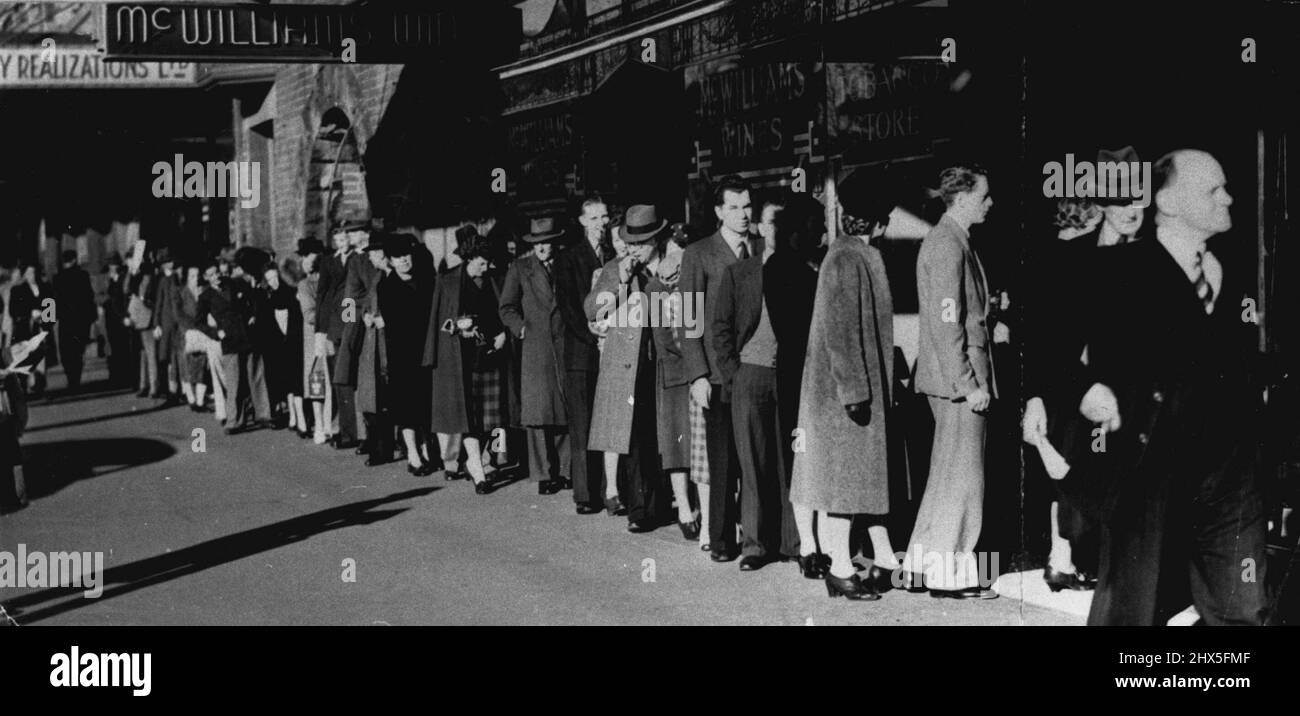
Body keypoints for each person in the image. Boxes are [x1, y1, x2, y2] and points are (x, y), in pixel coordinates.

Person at [1076, 149, 1267, 626]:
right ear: (1168, 200)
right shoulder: (1117, 271)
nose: (1228, 197)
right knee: (1133, 610)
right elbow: (1061, 355)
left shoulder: (1236, 272)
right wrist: (1085, 391)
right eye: (1212, 189)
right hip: (1150, 474)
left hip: (1229, 479)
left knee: (1242, 608)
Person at [788, 184, 896, 600]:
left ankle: (884, 558)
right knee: (845, 483)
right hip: (842, 396)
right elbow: (841, 331)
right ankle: (838, 566)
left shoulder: (851, 254)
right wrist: (855, 390)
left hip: (852, 390)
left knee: (864, 480)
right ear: (880, 221)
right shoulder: (847, 257)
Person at [904, 164, 999, 599]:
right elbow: (947, 323)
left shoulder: (952, 241)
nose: (990, 203)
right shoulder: (948, 245)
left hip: (949, 380)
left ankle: (922, 565)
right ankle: (949, 574)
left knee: (945, 476)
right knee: (963, 482)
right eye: (984, 196)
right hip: (958, 384)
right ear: (962, 199)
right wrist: (968, 384)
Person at [711, 195, 802, 571]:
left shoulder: (801, 272)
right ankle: (754, 545)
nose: (777, 228)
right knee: (752, 461)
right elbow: (720, 328)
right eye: (771, 221)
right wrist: (735, 374)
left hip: (788, 377)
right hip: (750, 376)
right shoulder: (741, 273)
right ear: (762, 229)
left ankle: (792, 542)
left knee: (790, 461)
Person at [680, 175, 762, 563]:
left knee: (756, 458)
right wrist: (697, 374)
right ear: (718, 212)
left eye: (747, 206)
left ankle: (757, 533)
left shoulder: (758, 249)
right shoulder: (699, 254)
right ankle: (721, 539)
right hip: (716, 374)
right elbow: (689, 319)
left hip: (756, 371)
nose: (743, 214)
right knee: (724, 460)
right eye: (733, 207)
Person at [585, 204, 673, 533]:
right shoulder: (615, 269)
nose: (633, 249)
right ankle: (640, 510)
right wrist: (618, 285)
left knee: (662, 435)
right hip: (629, 365)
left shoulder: (672, 265)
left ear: (657, 239)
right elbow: (591, 309)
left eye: (641, 242)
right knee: (635, 437)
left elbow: (692, 318)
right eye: (630, 242)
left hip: (664, 361)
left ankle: (664, 502)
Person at [424, 232, 510, 494]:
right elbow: (439, 322)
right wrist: (458, 330)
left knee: (492, 417)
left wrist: (503, 333)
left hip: (492, 357)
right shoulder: (448, 280)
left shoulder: (495, 278)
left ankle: (485, 459)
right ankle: (476, 466)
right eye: (481, 263)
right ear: (469, 259)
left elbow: (504, 311)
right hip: (461, 360)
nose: (486, 268)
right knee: (468, 417)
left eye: (488, 263)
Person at [551, 197, 617, 514]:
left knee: (610, 423)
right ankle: (586, 494)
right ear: (581, 221)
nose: (600, 223)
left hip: (612, 349)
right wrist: (590, 332)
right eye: (593, 218)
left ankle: (612, 490)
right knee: (583, 423)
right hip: (581, 352)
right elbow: (567, 307)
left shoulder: (615, 254)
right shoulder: (568, 258)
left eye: (604, 217)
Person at [499, 217, 572, 496]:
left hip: (565, 344)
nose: (543, 248)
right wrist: (521, 330)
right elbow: (506, 307)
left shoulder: (566, 263)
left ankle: (565, 470)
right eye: (538, 244)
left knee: (564, 410)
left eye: (547, 243)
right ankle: (543, 473)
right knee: (539, 414)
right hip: (536, 349)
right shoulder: (520, 268)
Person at [648, 226, 699, 540]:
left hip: (696, 371)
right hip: (673, 373)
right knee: (677, 444)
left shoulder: (694, 281)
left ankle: (704, 507)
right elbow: (661, 335)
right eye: (675, 247)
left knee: (698, 445)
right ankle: (683, 507)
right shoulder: (656, 288)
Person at [377, 233, 436, 475]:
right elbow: (396, 322)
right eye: (397, 257)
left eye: (406, 255)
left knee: (425, 404)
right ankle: (413, 454)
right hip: (402, 353)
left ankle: (425, 450)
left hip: (427, 349)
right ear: (390, 261)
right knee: (406, 405)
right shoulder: (387, 287)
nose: (403, 260)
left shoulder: (426, 281)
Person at [315, 221, 364, 450]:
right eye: (338, 240)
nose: (341, 243)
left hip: (353, 322)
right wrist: (321, 329)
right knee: (340, 378)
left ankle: (359, 431)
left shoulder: (359, 258)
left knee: (355, 378)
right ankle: (346, 432)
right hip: (335, 325)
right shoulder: (328, 262)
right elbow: (322, 295)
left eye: (344, 239)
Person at [354, 235, 394, 466]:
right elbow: (352, 300)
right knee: (372, 397)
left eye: (372, 253)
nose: (369, 258)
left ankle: (384, 446)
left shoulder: (388, 275)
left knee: (384, 396)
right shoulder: (373, 275)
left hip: (386, 342)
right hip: (371, 342)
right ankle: (377, 445)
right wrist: (361, 316)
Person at [256, 261, 303, 429]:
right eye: (269, 279)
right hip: (277, 345)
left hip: (293, 343)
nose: (273, 282)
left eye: (275, 277)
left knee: (295, 381)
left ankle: (300, 418)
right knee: (285, 382)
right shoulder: (267, 297)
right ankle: (291, 416)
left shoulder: (291, 294)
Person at [295, 239, 326, 441]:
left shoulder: (316, 281)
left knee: (321, 378)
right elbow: (309, 315)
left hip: (318, 334)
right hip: (313, 335)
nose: (304, 261)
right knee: (317, 379)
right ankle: (320, 425)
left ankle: (324, 425)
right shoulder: (304, 284)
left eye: (307, 255)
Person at [53, 249, 96, 393]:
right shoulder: (83, 276)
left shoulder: (57, 278)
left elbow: (51, 299)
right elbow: (89, 298)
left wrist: (48, 320)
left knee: (66, 351)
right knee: (78, 351)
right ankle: (76, 379)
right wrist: (92, 318)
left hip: (65, 321)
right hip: (80, 321)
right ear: (75, 260)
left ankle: (70, 378)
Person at [8, 265, 54, 396]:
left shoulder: (45, 288)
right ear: (25, 275)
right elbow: (13, 311)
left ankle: (38, 386)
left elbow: (51, 310)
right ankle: (23, 387)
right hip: (25, 331)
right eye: (29, 273)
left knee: (40, 359)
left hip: (41, 329)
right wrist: (29, 314)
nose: (32, 276)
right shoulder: (17, 290)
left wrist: (44, 317)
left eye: (34, 273)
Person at [175, 264, 211, 413]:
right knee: (186, 368)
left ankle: (200, 400)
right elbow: (178, 313)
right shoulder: (181, 292)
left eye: (197, 276)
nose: (195, 279)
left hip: (202, 334)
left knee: (202, 366)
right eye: (192, 276)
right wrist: (190, 327)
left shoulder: (204, 291)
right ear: (187, 277)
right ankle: (191, 399)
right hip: (186, 334)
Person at [151, 249, 185, 406]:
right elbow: (159, 303)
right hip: (168, 324)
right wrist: (157, 324)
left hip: (176, 324)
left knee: (177, 358)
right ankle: (173, 392)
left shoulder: (177, 279)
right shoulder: (165, 281)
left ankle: (180, 391)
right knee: (171, 359)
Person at [126, 257, 159, 398]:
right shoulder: (138, 276)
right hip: (141, 318)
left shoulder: (146, 276)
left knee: (148, 354)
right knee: (145, 353)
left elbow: (142, 294)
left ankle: (151, 386)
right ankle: (146, 384)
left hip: (145, 318)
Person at [102, 254, 134, 388]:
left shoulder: (121, 278)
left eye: (113, 265)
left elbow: (118, 298)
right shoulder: (110, 279)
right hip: (111, 319)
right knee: (114, 348)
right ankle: (116, 376)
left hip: (119, 318)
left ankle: (122, 377)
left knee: (121, 348)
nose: (112, 268)